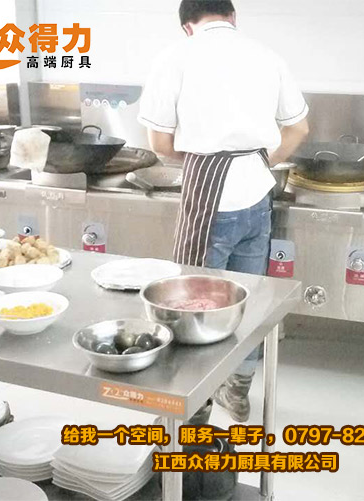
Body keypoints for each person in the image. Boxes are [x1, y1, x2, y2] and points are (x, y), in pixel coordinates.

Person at [137, 0, 309, 422]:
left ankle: (191, 409)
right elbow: (299, 128)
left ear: (187, 26)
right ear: (232, 17)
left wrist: (204, 159)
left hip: (209, 196)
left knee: (192, 303)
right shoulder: (267, 56)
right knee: (247, 300)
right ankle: (238, 391)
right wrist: (260, 162)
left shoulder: (174, 57)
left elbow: (159, 144)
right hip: (258, 195)